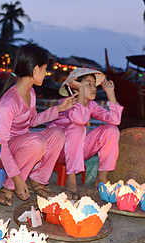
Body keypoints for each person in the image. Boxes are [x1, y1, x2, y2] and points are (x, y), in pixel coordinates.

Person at [0, 44, 75, 206]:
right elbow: (1, 144)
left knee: (57, 133)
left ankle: (38, 181)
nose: (46, 73)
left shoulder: (31, 93)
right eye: (44, 69)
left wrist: (59, 109)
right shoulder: (8, 103)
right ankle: (7, 188)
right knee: (36, 141)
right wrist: (17, 179)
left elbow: (32, 121)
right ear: (35, 70)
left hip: (21, 146)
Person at [47, 68, 123, 200]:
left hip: (77, 152)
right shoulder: (66, 103)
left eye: (94, 85)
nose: (93, 88)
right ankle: (71, 181)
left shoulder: (91, 105)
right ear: (76, 88)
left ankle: (102, 177)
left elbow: (115, 120)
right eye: (88, 84)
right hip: (58, 151)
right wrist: (81, 90)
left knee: (112, 130)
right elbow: (79, 120)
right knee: (78, 128)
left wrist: (110, 93)